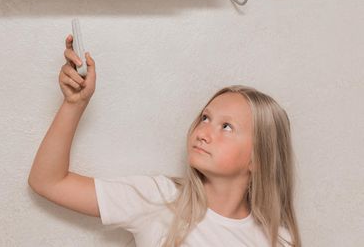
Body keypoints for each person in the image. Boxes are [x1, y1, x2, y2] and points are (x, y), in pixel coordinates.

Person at [28, 34, 301, 247]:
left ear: (257, 158)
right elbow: (48, 181)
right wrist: (74, 104)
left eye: (226, 126)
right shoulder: (158, 198)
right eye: (205, 118)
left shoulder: (278, 240)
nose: (203, 132)